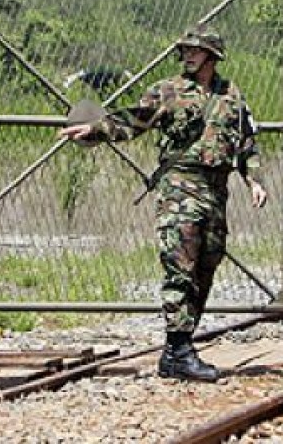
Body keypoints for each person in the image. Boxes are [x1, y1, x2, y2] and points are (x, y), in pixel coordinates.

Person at [58, 24, 268, 382]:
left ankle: (176, 351)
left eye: (195, 50)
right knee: (180, 266)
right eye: (185, 50)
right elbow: (134, 120)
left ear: (212, 56)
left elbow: (246, 141)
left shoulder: (231, 95)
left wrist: (254, 179)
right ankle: (180, 348)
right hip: (180, 189)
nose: (188, 55)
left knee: (208, 262)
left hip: (216, 190)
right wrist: (96, 128)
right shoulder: (167, 91)